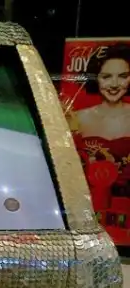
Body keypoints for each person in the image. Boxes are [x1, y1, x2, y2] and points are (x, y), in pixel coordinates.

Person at [69, 44, 130, 222]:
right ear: (96, 78)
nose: (114, 84)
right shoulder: (76, 119)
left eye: (123, 76)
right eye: (106, 77)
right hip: (87, 211)